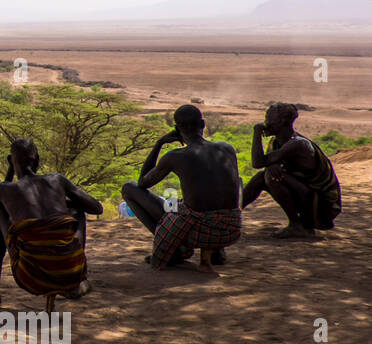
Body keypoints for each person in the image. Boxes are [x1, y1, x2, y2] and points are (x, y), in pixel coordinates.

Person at [0, 138, 102, 310]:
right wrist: (62, 202)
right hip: (70, 273)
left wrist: (11, 168)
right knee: (78, 211)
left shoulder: (3, 189)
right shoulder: (57, 180)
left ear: (11, 161)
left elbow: (0, 207)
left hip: (31, 277)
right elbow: (97, 208)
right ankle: (77, 282)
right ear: (37, 160)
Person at [120, 104, 241, 274]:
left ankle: (176, 249)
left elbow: (142, 183)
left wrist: (159, 143)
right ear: (203, 124)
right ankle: (216, 250)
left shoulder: (177, 156)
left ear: (177, 129)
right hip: (231, 230)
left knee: (129, 189)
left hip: (199, 232)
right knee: (195, 204)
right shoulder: (226, 149)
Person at [242, 102, 341, 238]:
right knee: (262, 177)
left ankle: (296, 226)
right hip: (308, 197)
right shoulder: (276, 142)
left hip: (322, 206)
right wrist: (271, 165)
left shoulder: (297, 144)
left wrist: (257, 132)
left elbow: (257, 162)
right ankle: (232, 214)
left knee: (272, 176)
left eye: (269, 119)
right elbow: (265, 163)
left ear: (282, 121)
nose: (266, 123)